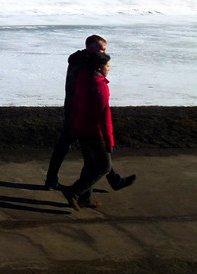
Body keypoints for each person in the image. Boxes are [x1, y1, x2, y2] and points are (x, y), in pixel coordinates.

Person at [45, 35, 135, 191]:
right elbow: (80, 90)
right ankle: (54, 181)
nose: (104, 52)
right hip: (76, 111)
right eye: (102, 49)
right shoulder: (84, 64)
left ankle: (113, 181)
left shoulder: (82, 60)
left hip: (77, 109)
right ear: (91, 48)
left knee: (88, 151)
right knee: (69, 146)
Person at [62, 52, 117, 210]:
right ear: (100, 67)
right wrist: (109, 141)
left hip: (80, 127)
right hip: (93, 132)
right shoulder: (100, 87)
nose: (109, 69)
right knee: (104, 167)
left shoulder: (82, 80)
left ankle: (85, 199)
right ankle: (74, 191)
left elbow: (76, 105)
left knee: (90, 165)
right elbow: (104, 116)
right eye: (108, 66)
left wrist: (73, 126)